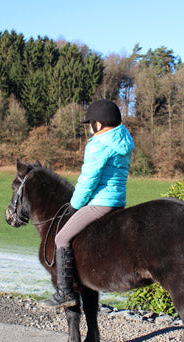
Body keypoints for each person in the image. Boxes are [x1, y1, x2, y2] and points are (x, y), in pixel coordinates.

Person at [40, 100, 134, 308]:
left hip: (100, 203)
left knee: (62, 237)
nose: (90, 128)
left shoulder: (98, 144)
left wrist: (75, 205)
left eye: (91, 123)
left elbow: (88, 179)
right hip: (118, 202)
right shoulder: (123, 139)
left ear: (98, 125)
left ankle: (64, 292)